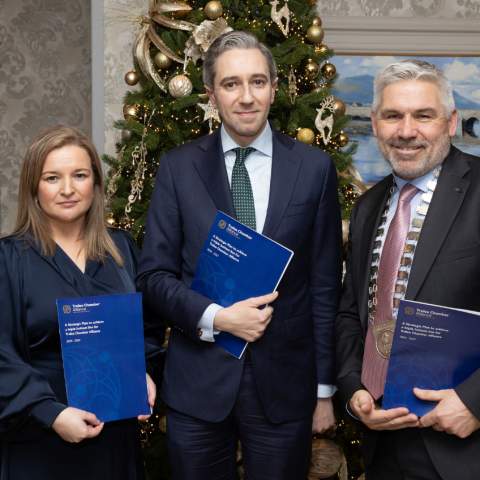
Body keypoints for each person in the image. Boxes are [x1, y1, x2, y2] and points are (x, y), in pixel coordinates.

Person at [137, 30, 342, 479]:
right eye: (231, 84)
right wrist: (217, 317)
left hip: (285, 388)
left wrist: (325, 389)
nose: (246, 97)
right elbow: (153, 276)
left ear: (273, 87)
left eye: (257, 82)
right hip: (198, 386)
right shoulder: (177, 168)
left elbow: (325, 284)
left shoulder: (313, 169)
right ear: (211, 94)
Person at [336, 59, 480, 480]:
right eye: (392, 115)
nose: (406, 130)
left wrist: (474, 402)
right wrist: (354, 391)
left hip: (465, 448)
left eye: (424, 115)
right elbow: (351, 313)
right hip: (383, 443)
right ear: (377, 124)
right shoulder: (367, 207)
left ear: (450, 122)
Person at [0, 126, 157, 480]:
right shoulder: (9, 259)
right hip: (37, 435)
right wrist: (50, 413)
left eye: (80, 175)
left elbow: (147, 328)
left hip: (114, 434)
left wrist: (143, 372)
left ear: (95, 184)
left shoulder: (122, 250)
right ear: (33, 189)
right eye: (53, 178)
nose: (68, 189)